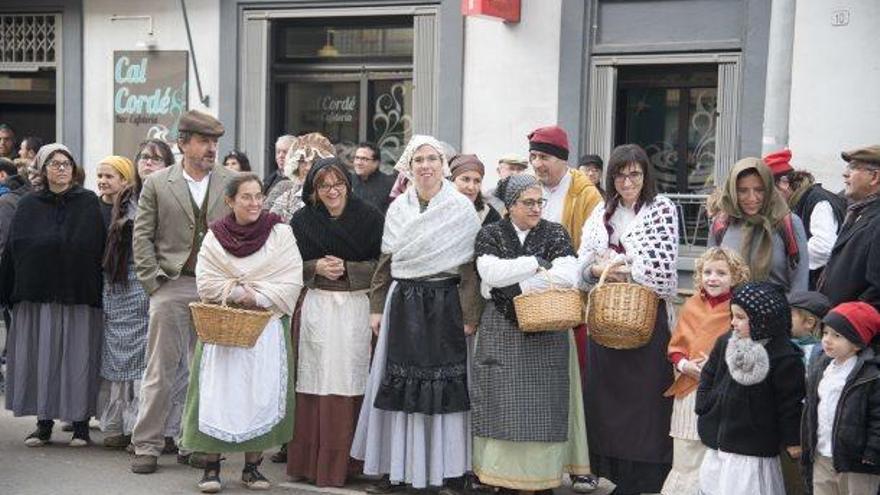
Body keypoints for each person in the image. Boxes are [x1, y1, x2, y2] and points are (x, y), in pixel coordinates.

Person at [350, 134, 482, 492]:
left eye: (432, 159)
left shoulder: (460, 209)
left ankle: (448, 470)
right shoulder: (398, 209)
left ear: (443, 165)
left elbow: (470, 268)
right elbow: (386, 263)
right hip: (404, 300)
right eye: (418, 160)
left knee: (446, 384)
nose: (425, 166)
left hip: (445, 303)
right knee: (401, 384)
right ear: (408, 167)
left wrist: (470, 314)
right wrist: (377, 308)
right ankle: (402, 471)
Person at [179, 173, 303, 493]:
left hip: (265, 325)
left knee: (259, 392)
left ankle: (252, 468)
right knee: (219, 394)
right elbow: (206, 283)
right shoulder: (215, 236)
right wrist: (239, 294)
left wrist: (256, 296)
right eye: (246, 197)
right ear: (230, 201)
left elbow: (291, 279)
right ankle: (210, 467)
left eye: (258, 196)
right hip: (225, 326)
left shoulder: (280, 233)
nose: (254, 203)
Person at [130, 110, 235, 474]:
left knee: (205, 370)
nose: (211, 149)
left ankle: (196, 443)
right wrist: (153, 282)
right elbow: (141, 236)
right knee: (160, 369)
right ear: (183, 144)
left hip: (216, 287)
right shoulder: (158, 183)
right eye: (204, 142)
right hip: (171, 283)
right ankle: (146, 444)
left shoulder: (231, 181)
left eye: (215, 143)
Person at [471, 173, 586, 492]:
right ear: (509, 206)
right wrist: (536, 262)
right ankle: (500, 477)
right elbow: (488, 272)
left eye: (540, 202)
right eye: (529, 202)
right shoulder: (491, 232)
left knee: (545, 406)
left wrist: (517, 286)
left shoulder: (555, 232)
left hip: (546, 330)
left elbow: (569, 275)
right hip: (501, 329)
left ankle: (541, 478)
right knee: (500, 401)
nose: (536, 208)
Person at [577, 143, 679, 494]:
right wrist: (597, 268)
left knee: (647, 400)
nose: (627, 181)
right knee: (607, 400)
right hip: (607, 320)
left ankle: (646, 478)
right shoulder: (600, 213)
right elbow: (583, 265)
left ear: (645, 174)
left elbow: (662, 267)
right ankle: (615, 472)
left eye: (634, 174)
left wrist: (620, 264)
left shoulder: (662, 209)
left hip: (646, 322)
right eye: (620, 175)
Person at [0, 143, 106, 447]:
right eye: (55, 164)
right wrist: (8, 289)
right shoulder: (28, 205)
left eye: (67, 164)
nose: (62, 169)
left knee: (79, 358)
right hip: (39, 295)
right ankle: (43, 424)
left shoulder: (88, 203)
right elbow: (13, 250)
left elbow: (98, 248)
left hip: (80, 293)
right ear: (43, 170)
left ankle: (81, 426)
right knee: (43, 358)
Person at [287, 157, 384, 487]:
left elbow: (384, 267)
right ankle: (312, 463)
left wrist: (348, 268)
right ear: (314, 190)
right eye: (324, 186)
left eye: (338, 183)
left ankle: (352, 462)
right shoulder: (302, 221)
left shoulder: (370, 218)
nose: (332, 191)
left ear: (348, 183)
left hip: (356, 307)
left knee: (352, 376)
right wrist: (314, 266)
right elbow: (286, 265)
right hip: (317, 306)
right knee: (317, 377)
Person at [529, 125, 602, 492]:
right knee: (540, 391)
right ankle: (540, 464)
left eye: (544, 157)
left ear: (562, 159)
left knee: (575, 387)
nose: (538, 164)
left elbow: (591, 250)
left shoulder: (585, 195)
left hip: (572, 304)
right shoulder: (529, 190)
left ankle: (580, 465)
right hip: (532, 304)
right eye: (534, 157)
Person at [696, 282, 805, 495]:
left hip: (753, 450)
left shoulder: (784, 357)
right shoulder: (726, 341)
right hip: (719, 443)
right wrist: (704, 404)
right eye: (732, 315)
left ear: (763, 319)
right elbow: (708, 375)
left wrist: (793, 440)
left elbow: (790, 404)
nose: (733, 323)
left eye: (740, 317)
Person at [660, 247, 750, 495]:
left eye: (721, 273)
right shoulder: (691, 304)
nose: (713, 278)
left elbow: (745, 348)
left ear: (735, 276)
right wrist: (684, 365)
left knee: (713, 455)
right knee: (686, 452)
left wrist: (717, 365)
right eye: (708, 271)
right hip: (689, 389)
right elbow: (675, 348)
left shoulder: (739, 308)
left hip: (721, 390)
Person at [800, 301, 880, 495]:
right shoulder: (821, 367)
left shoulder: (871, 375)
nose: (827, 340)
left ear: (857, 342)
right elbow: (811, 408)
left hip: (856, 461)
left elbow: (878, 418)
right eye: (826, 332)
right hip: (822, 455)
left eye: (837, 336)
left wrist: (872, 453)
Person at [709, 157, 809, 292]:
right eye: (742, 191)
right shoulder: (721, 223)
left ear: (768, 188)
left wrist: (794, 312)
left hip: (777, 311)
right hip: (729, 311)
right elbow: (709, 272)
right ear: (732, 191)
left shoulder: (787, 222)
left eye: (759, 190)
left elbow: (800, 283)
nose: (752, 198)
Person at [765, 149, 846, 289]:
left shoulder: (817, 201)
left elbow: (823, 247)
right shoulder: (800, 201)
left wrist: (786, 259)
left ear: (784, 184)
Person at [818, 145, 880, 309]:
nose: (845, 174)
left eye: (853, 168)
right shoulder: (859, 212)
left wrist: (845, 322)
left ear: (874, 177)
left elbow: (876, 289)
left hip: (853, 329)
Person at [265, 133, 334, 223]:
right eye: (302, 161)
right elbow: (270, 226)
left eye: (314, 161)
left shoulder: (337, 195)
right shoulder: (287, 198)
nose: (307, 167)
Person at [449, 154, 501, 226]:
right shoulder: (435, 209)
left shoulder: (488, 215)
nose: (471, 187)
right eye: (465, 179)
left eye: (477, 181)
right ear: (452, 181)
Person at [351, 141, 397, 214]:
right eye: (357, 158)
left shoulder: (390, 184)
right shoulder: (348, 181)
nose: (359, 163)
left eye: (364, 159)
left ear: (376, 163)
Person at [788, 291, 832, 367]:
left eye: (789, 315)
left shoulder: (820, 354)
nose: (784, 319)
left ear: (809, 323)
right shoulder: (786, 342)